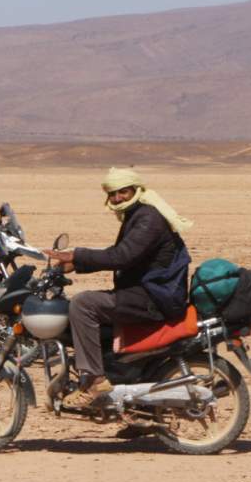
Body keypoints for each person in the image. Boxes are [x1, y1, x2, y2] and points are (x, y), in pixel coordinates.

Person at [47, 167, 192, 409]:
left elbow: (122, 256)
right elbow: (123, 257)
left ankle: (94, 381)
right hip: (148, 292)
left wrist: (77, 255)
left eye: (122, 192)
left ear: (136, 190)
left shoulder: (148, 218)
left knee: (83, 305)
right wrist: (75, 264)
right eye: (112, 194)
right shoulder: (138, 215)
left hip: (154, 297)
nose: (117, 199)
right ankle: (129, 401)